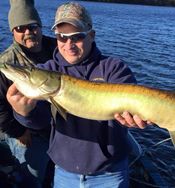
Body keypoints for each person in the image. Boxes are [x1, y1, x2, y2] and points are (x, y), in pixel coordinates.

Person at [6, 2, 150, 188]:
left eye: (77, 37)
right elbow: (40, 121)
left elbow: (136, 106)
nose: (69, 45)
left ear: (91, 35)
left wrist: (137, 117)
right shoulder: (48, 70)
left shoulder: (113, 68)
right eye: (61, 37)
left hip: (110, 174)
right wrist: (23, 113)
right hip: (65, 173)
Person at [0, 0, 57, 187]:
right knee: (33, 177)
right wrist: (19, 132)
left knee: (55, 173)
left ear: (39, 26)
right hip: (28, 133)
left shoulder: (58, 48)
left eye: (32, 26)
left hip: (59, 128)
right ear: (13, 32)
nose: (28, 32)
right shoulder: (7, 62)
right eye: (20, 28)